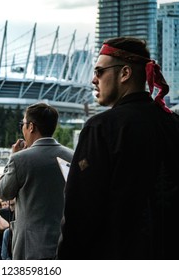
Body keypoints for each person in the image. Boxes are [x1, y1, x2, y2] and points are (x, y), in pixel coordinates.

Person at [57, 37, 179, 260]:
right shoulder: (174, 124)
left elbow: (80, 214)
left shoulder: (101, 128)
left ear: (124, 73)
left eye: (100, 71)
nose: (94, 80)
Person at [0, 102, 74, 260]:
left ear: (31, 126)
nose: (22, 128)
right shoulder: (72, 155)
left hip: (30, 246)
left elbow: (3, 192)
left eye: (23, 124)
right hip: (65, 241)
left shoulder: (20, 159)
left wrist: (13, 158)